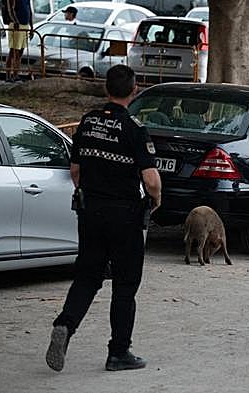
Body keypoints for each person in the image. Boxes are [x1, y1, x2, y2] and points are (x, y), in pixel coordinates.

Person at [45, 64, 162, 373]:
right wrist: (155, 201)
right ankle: (119, 352)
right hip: (124, 217)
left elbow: (75, 171)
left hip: (90, 212)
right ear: (134, 91)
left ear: (106, 89)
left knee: (87, 277)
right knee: (125, 285)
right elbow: (151, 180)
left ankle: (65, 326)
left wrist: (90, 193)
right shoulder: (135, 129)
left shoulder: (87, 122)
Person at [4, 0, 33, 82]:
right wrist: (15, 21)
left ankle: (16, 75)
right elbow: (11, 9)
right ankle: (8, 76)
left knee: (20, 52)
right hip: (16, 25)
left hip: (25, 25)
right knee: (13, 51)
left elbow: (29, 10)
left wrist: (31, 27)